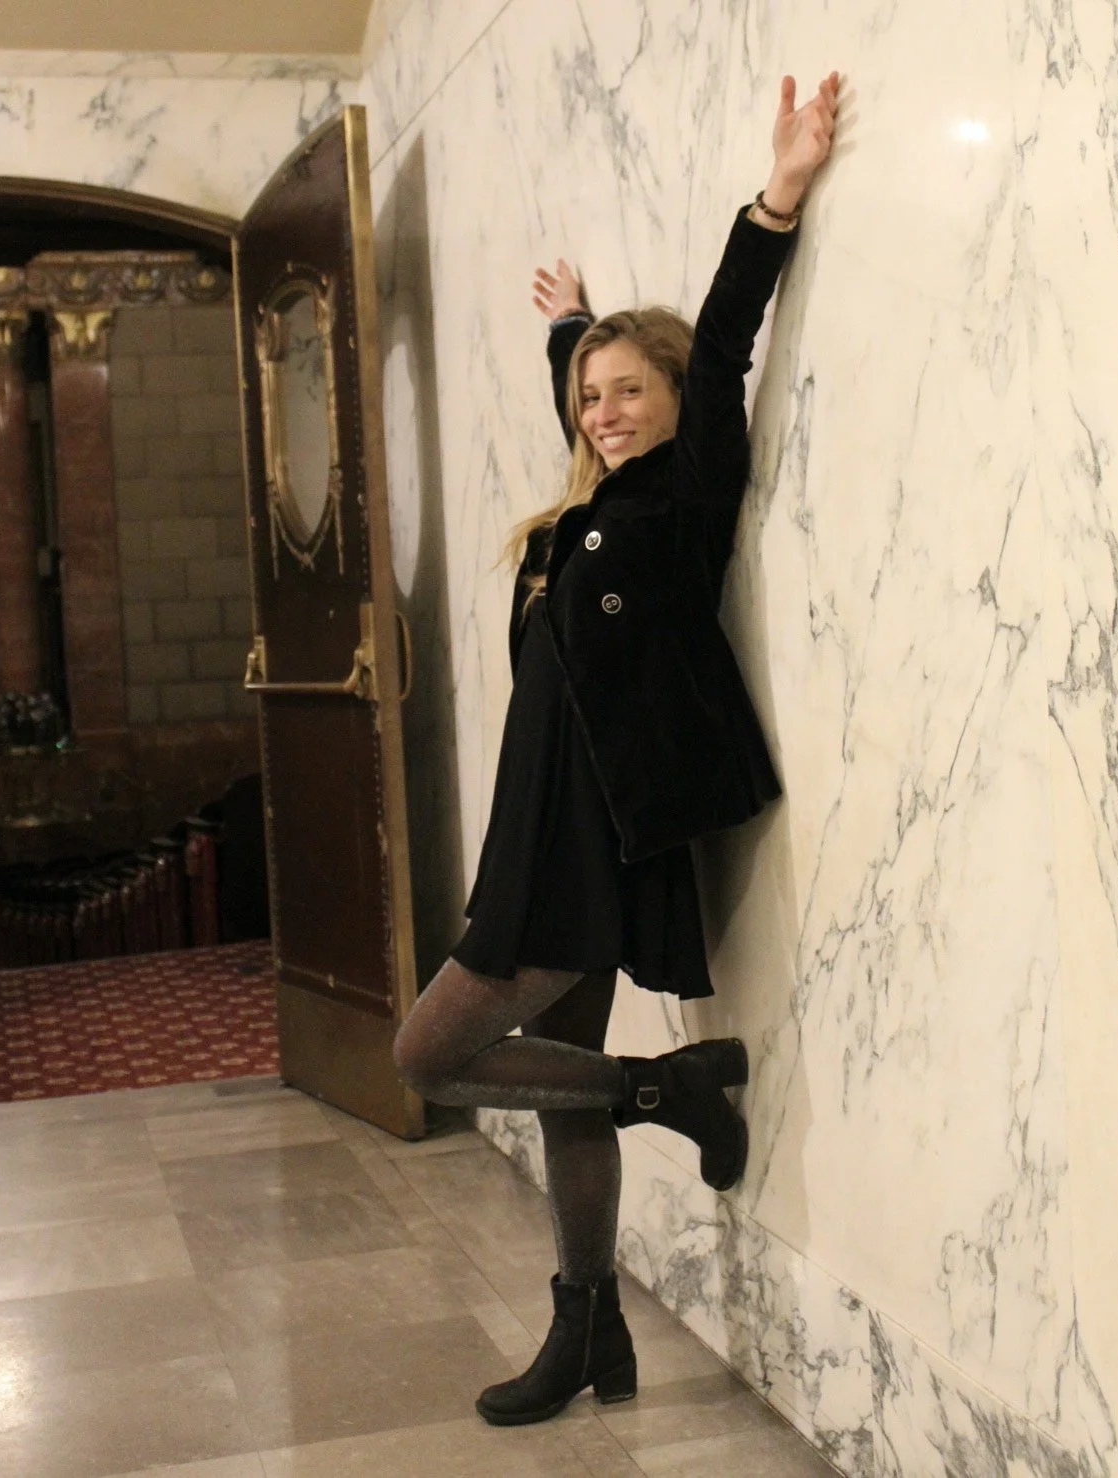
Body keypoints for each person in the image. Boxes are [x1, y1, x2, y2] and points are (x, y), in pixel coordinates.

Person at [393, 70, 842, 1427]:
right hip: (532, 830)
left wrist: (777, 200)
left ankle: (674, 1084)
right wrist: (572, 327)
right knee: (563, 1101)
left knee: (430, 1053)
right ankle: (589, 1328)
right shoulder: (579, 516)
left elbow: (720, 346)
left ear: (672, 401)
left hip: (594, 841)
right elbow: (585, 390)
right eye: (590, 396)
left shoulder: (679, 504)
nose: (603, 410)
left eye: (626, 390)